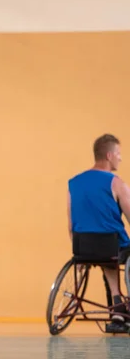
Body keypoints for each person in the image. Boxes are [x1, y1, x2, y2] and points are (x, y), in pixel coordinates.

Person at [68, 133, 130, 332]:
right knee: (115, 254)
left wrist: (78, 251)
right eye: (119, 153)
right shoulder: (115, 182)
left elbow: (71, 224)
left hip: (82, 247)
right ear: (110, 155)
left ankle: (118, 307)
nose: (121, 158)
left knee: (107, 258)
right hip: (113, 246)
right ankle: (121, 309)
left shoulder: (74, 183)